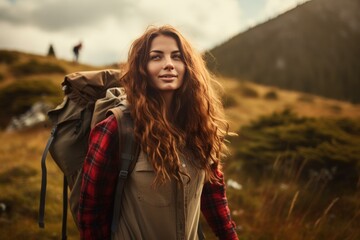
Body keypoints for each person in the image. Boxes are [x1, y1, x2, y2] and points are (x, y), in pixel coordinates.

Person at [78, 25, 238, 240]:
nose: (169, 64)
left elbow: (212, 194)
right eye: (156, 57)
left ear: (188, 65)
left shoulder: (200, 127)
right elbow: (92, 211)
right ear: (141, 68)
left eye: (177, 57)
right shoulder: (117, 128)